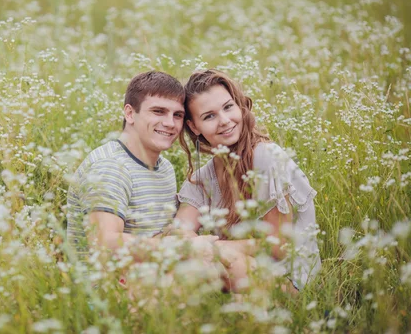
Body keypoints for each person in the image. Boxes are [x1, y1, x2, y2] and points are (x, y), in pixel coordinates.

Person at [175, 69, 321, 292]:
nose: (224, 121)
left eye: (228, 107)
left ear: (239, 105)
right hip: (236, 272)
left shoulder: (266, 157)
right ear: (194, 127)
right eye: (209, 116)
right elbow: (179, 231)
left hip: (290, 281)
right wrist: (193, 243)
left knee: (218, 265)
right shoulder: (203, 178)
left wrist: (213, 248)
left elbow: (278, 247)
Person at [66, 71, 218, 263]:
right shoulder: (110, 166)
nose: (170, 123)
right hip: (107, 287)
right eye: (158, 111)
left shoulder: (165, 169)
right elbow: (103, 242)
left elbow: (156, 238)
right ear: (130, 113)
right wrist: (183, 248)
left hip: (152, 273)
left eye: (177, 115)